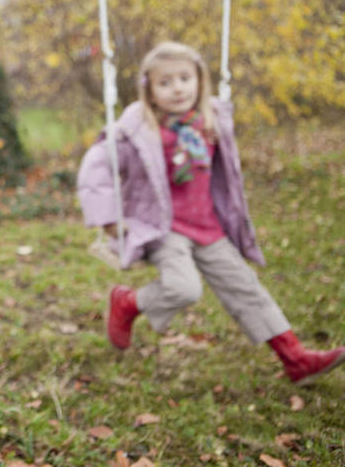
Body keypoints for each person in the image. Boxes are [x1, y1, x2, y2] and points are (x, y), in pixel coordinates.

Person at [76, 41, 344, 385]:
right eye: (165, 82)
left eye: (185, 78)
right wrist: (108, 219)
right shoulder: (137, 131)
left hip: (208, 226)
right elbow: (95, 168)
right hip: (164, 227)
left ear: (200, 81)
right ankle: (128, 303)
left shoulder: (211, 122)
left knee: (246, 288)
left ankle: (296, 359)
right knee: (184, 288)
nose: (177, 88)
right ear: (149, 90)